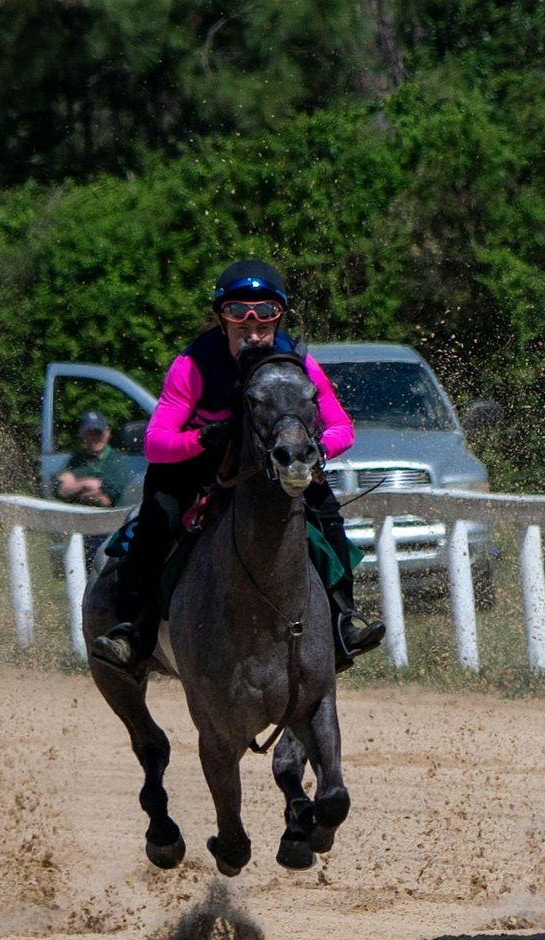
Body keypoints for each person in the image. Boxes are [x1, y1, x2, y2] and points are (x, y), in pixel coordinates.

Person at [91, 259, 385, 675]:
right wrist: (202, 439)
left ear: (279, 316)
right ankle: (131, 633)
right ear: (221, 318)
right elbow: (157, 443)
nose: (252, 325)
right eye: (237, 313)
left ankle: (343, 622)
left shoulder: (297, 361)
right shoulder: (192, 364)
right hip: (194, 466)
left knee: (328, 517)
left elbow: (342, 428)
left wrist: (315, 449)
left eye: (265, 312)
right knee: (159, 522)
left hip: (275, 463)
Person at [54, 410, 132, 569]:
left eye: (98, 432)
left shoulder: (115, 462)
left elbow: (106, 498)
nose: (94, 437)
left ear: (107, 433)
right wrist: (86, 484)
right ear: (82, 435)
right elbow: (60, 489)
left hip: (107, 532)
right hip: (79, 531)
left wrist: (75, 488)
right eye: (89, 433)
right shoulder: (77, 460)